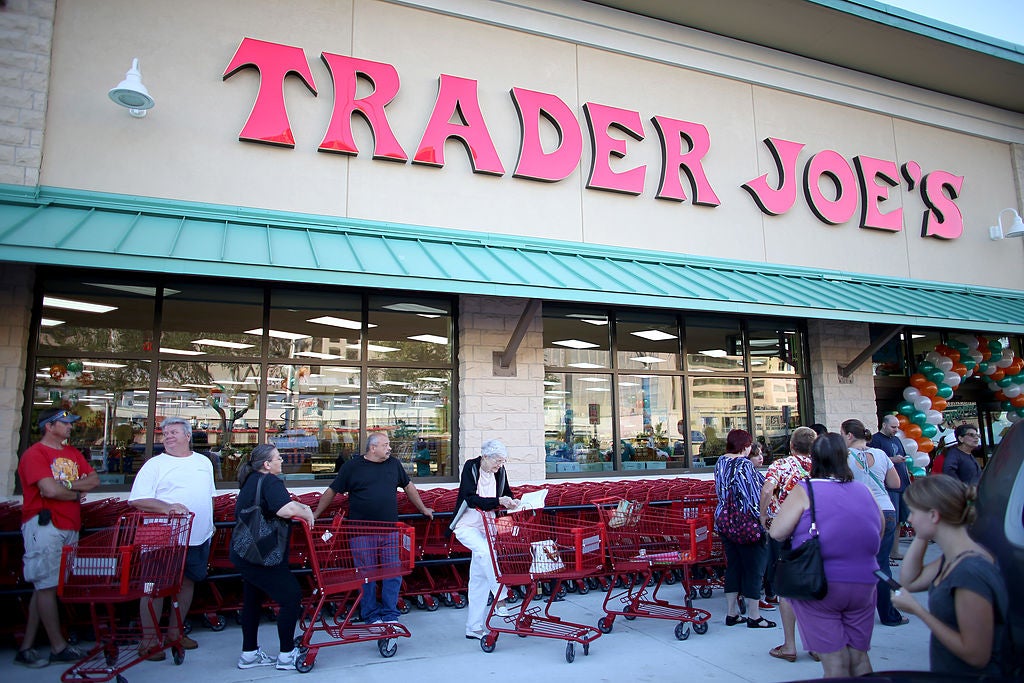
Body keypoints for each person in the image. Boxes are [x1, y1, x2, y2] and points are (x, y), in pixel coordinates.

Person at [770, 432, 883, 678]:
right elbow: (879, 529)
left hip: (820, 584)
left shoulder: (805, 490)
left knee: (835, 665)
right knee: (859, 657)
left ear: (815, 458)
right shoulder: (865, 490)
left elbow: (777, 532)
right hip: (864, 582)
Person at [313, 431, 434, 625]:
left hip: (389, 531)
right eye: (385, 445)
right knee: (366, 575)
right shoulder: (352, 467)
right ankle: (369, 614)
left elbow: (409, 486)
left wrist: (423, 508)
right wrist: (316, 514)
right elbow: (332, 490)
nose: (389, 448)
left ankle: (390, 614)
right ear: (373, 448)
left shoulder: (393, 464)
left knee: (392, 573)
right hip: (361, 532)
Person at [892, 475, 1009, 676]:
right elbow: (910, 581)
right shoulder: (955, 557)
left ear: (933, 515)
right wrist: (922, 534)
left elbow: (976, 654)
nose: (909, 519)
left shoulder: (969, 572)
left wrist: (918, 610)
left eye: (913, 512)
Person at [14, 408, 98, 668]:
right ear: (49, 426)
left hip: (69, 524)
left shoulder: (72, 454)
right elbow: (48, 489)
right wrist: (74, 494)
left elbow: (93, 479)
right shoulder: (34, 454)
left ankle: (26, 648)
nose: (71, 427)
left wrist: (69, 487)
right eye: (66, 423)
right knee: (47, 585)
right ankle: (58, 646)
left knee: (46, 586)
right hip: (45, 525)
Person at [128, 417, 216, 660]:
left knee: (187, 583)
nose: (168, 436)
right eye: (165, 433)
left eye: (174, 432)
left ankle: (175, 633)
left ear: (187, 436)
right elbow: (137, 499)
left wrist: (210, 525)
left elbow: (208, 496)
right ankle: (148, 641)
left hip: (197, 537)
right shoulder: (154, 465)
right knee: (154, 588)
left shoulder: (204, 463)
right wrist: (167, 508)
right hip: (162, 537)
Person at [231, 444, 314, 671]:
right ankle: (287, 655)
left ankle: (249, 654)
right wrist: (306, 511)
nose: (282, 461)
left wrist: (301, 506)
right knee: (291, 597)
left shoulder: (250, 479)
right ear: (267, 464)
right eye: (278, 458)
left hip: (245, 551)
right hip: (264, 552)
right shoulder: (270, 481)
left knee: (252, 600)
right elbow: (285, 509)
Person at [449, 439, 520, 640]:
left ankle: (473, 627)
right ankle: (500, 597)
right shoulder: (471, 467)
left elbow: (506, 493)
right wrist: (497, 501)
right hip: (466, 526)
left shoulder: (501, 472)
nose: (500, 465)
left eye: (503, 461)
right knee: (486, 552)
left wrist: (511, 501)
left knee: (479, 579)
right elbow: (469, 498)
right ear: (485, 456)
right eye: (497, 460)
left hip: (488, 528)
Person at [842, 418, 906, 627]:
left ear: (849, 436)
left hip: (859, 512)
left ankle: (854, 612)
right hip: (885, 510)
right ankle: (889, 613)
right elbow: (895, 483)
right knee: (881, 564)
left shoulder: (844, 456)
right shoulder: (881, 455)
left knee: (854, 564)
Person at [759, 426, 815, 662]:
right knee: (815, 585)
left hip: (784, 528)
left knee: (786, 587)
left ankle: (790, 645)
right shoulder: (821, 466)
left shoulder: (781, 466)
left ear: (792, 445)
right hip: (814, 531)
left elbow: (767, 489)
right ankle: (816, 644)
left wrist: (763, 516)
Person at [714, 429, 773, 629]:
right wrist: (764, 518)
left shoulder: (720, 462)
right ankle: (754, 615)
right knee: (754, 568)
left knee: (734, 566)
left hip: (724, 521)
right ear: (745, 446)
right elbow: (752, 496)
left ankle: (732, 613)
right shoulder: (744, 464)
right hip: (745, 523)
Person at [869, 414, 911, 562]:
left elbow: (902, 456)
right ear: (884, 425)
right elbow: (873, 462)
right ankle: (884, 554)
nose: (896, 430)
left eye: (897, 427)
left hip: (901, 484)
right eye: (893, 427)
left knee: (899, 520)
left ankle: (895, 551)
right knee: (888, 521)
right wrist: (893, 460)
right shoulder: (875, 440)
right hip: (887, 486)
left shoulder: (897, 439)